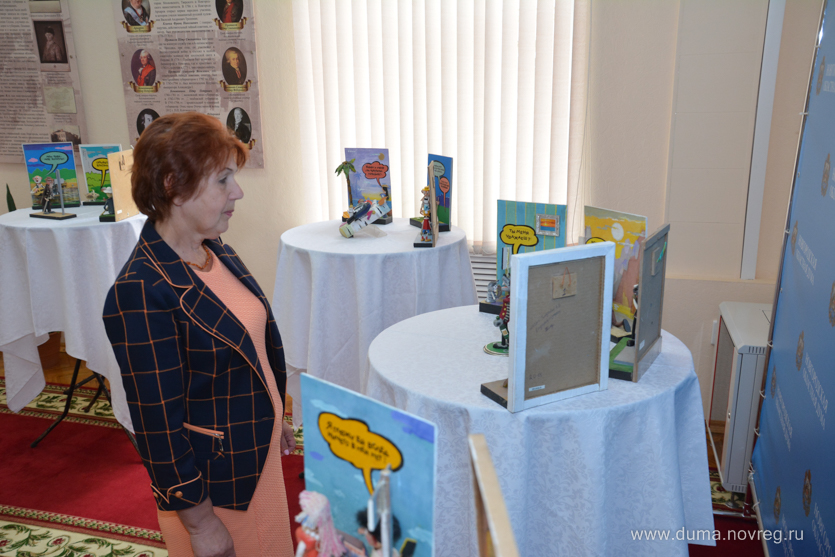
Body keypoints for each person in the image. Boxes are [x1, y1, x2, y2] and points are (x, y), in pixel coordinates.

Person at [102, 112, 295, 557]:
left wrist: (272, 414)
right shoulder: (141, 290)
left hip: (252, 465)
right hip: (215, 495)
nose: (237, 192)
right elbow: (157, 427)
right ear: (174, 186)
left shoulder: (212, 248)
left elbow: (242, 352)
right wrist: (202, 524)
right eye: (223, 180)